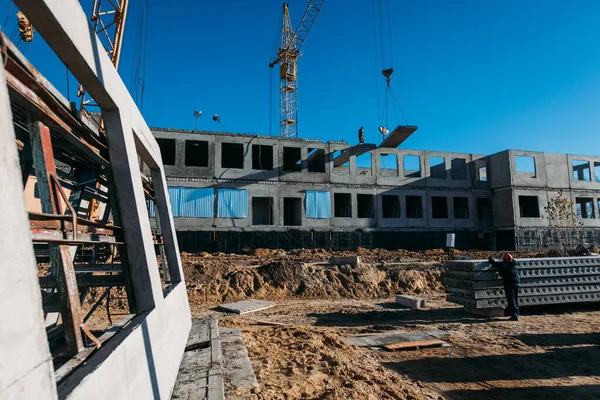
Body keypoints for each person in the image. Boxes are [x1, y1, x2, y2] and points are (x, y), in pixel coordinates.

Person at [488, 253, 520, 321]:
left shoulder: (503, 265)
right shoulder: (513, 263)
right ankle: (516, 314)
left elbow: (493, 263)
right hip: (516, 282)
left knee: (511, 300)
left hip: (509, 283)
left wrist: (491, 257)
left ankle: (514, 316)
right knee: (515, 299)